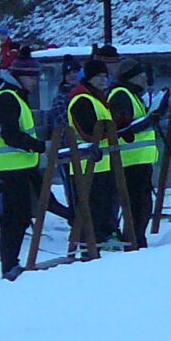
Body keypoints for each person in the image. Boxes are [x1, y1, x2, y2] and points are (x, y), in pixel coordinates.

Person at [0, 62, 45, 279]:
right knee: (16, 217)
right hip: (10, 166)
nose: (35, 81)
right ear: (20, 77)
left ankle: (10, 264)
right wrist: (38, 146)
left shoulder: (13, 96)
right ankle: (9, 265)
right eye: (31, 77)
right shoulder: (7, 97)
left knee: (19, 215)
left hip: (19, 164)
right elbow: (10, 134)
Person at [66, 57, 122, 246]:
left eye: (105, 76)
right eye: (98, 76)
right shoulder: (82, 100)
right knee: (92, 209)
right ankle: (91, 244)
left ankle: (102, 239)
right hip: (86, 164)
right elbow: (89, 131)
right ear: (89, 78)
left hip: (101, 163)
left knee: (103, 207)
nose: (103, 80)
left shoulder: (98, 99)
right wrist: (113, 129)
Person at [109, 59, 161, 244]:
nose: (145, 78)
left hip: (138, 159)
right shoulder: (121, 95)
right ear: (132, 77)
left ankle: (137, 239)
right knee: (138, 205)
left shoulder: (131, 94)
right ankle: (134, 240)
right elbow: (124, 128)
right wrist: (150, 119)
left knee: (142, 204)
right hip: (130, 160)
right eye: (141, 75)